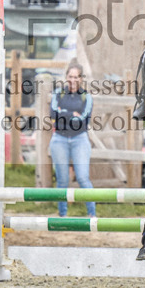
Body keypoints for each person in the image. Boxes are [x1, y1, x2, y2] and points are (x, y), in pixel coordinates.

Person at [49, 61, 97, 217]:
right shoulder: (58, 93)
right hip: (59, 139)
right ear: (66, 77)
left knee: (83, 178)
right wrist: (71, 115)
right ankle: (62, 214)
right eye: (70, 76)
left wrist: (64, 113)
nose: (73, 80)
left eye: (76, 77)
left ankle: (92, 213)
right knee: (62, 180)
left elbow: (83, 120)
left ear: (81, 78)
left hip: (79, 139)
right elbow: (53, 115)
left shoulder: (86, 97)